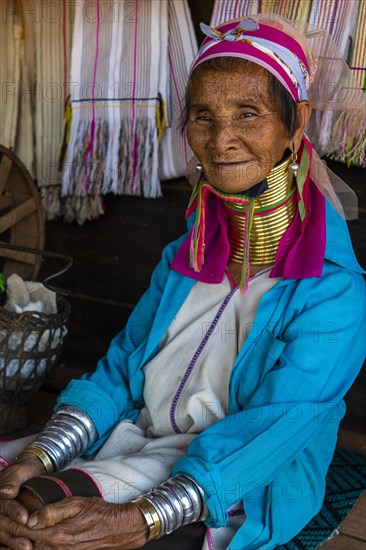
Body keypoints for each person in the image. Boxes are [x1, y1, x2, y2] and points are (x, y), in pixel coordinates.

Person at [0, 13, 365, 550]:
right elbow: (121, 369)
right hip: (132, 431)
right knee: (21, 498)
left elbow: (274, 429)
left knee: (45, 515)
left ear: (296, 123)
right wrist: (37, 457)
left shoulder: (332, 292)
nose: (222, 139)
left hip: (234, 476)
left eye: (249, 114)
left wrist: (139, 520)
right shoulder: (184, 257)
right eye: (203, 116)